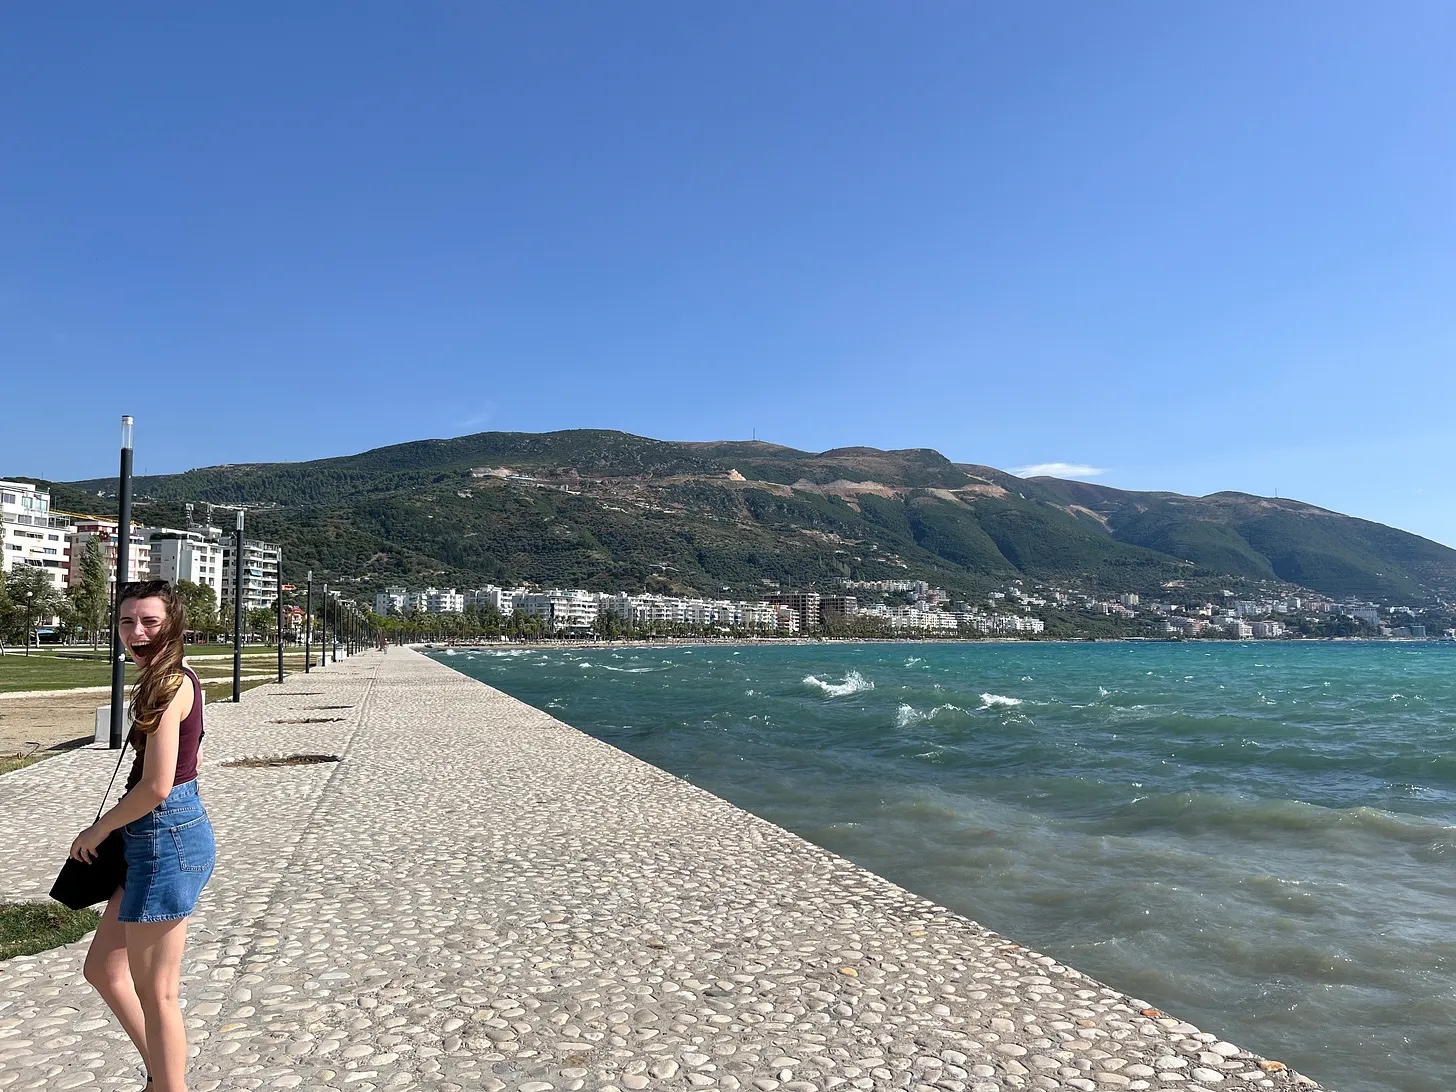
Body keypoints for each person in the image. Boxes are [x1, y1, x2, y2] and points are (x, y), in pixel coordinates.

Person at [70, 580, 216, 1092]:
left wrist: (99, 827)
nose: (138, 632)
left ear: (173, 624)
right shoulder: (162, 679)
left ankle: (169, 1085)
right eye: (128, 621)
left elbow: (156, 786)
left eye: (150, 621)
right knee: (103, 971)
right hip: (155, 837)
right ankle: (161, 1073)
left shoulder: (171, 684)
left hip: (165, 839)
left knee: (158, 993)